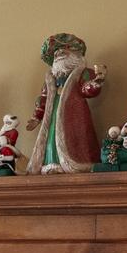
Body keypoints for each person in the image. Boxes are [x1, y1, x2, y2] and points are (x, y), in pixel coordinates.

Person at [26, 34, 106, 173]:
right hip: (52, 114)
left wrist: (97, 80)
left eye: (64, 50)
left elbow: (87, 89)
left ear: (75, 54)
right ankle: (51, 162)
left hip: (73, 114)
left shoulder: (83, 73)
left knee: (73, 137)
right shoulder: (50, 79)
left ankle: (76, 163)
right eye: (56, 53)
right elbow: (43, 99)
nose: (59, 54)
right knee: (50, 138)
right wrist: (36, 117)